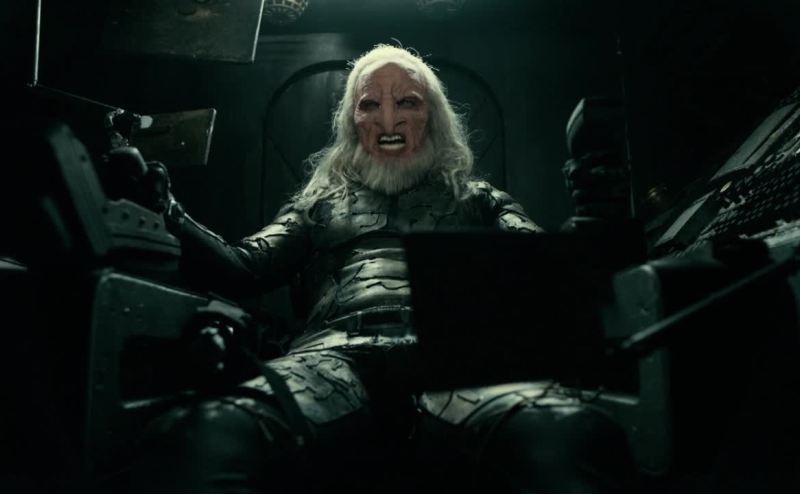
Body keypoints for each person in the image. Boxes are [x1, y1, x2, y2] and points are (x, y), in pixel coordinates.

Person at [135, 44, 637, 494]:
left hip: (457, 357)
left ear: (433, 119)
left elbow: (548, 269)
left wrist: (596, 215)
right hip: (329, 357)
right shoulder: (318, 204)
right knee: (216, 430)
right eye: (370, 104)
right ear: (352, 121)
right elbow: (242, 269)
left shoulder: (477, 198)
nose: (388, 120)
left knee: (559, 430)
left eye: (408, 102)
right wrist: (166, 210)